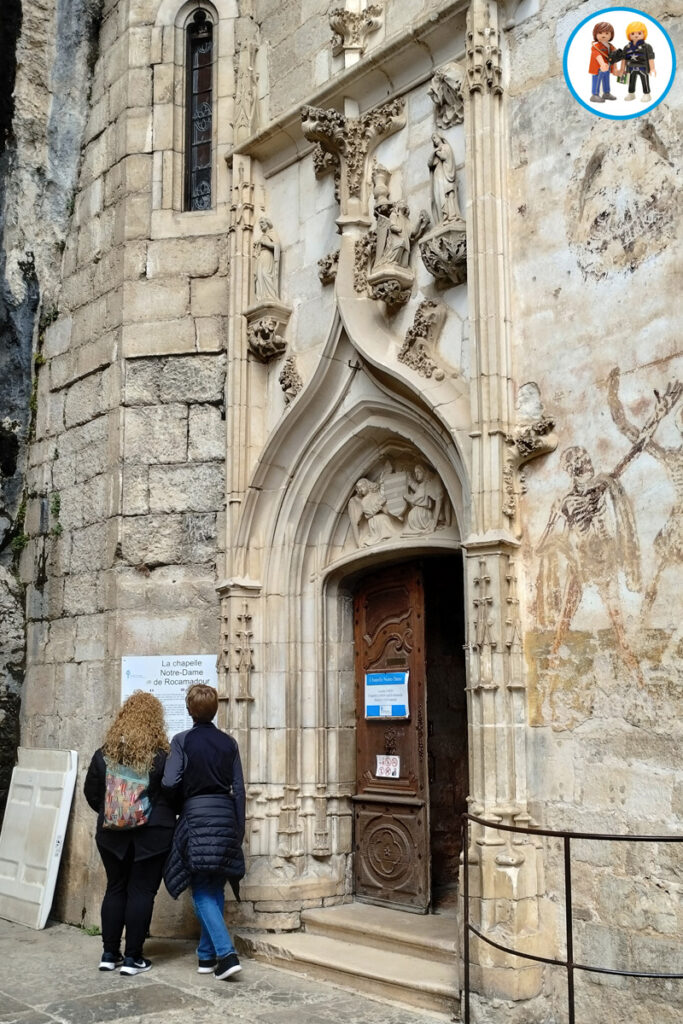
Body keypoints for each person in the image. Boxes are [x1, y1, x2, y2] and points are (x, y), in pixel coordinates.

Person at [84, 691, 175, 976]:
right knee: (141, 891)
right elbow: (171, 793)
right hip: (152, 835)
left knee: (115, 888)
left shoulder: (103, 754)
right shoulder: (162, 756)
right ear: (154, 721)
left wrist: (114, 813)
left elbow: (91, 793)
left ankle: (110, 953)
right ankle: (134, 958)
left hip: (112, 835)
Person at [162, 684, 246, 981]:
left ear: (188, 709)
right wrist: (239, 829)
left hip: (197, 816)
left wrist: (182, 804)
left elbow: (170, 781)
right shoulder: (229, 743)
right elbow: (239, 789)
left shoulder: (182, 740)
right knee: (216, 886)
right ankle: (206, 956)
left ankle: (226, 953)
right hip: (225, 815)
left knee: (199, 891)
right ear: (215, 709)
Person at [428, 132, 461, 223]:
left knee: (447, 194)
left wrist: (437, 151)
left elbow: (444, 156)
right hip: (438, 176)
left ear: (440, 137)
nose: (434, 140)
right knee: (440, 197)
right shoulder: (436, 151)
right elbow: (429, 163)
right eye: (433, 139)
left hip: (445, 174)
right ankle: (444, 217)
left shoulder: (445, 147)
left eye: (435, 137)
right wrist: (434, 151)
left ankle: (451, 216)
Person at [618, 21, 656, 103]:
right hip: (630, 68)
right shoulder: (627, 47)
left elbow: (650, 58)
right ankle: (631, 93)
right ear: (629, 35)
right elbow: (623, 59)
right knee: (631, 80)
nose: (636, 35)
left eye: (639, 33)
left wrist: (652, 68)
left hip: (643, 67)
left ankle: (647, 93)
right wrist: (622, 69)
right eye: (632, 33)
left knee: (644, 80)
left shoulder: (647, 47)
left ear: (644, 34)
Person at [588, 22, 617, 104]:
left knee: (606, 80)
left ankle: (606, 93)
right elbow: (597, 55)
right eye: (600, 33)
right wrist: (602, 64)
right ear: (595, 34)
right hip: (598, 68)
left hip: (607, 67)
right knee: (597, 80)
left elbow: (615, 54)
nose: (603, 35)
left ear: (611, 35)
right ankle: (595, 94)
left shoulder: (610, 46)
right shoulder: (596, 47)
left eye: (607, 33)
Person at [253, 216, 281, 301]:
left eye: (262, 222)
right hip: (260, 257)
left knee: (266, 274)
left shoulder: (272, 233)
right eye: (259, 223)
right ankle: (261, 297)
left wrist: (264, 242)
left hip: (267, 255)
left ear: (267, 223)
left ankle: (271, 296)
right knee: (259, 276)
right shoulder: (262, 236)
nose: (260, 225)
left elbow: (276, 245)